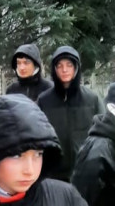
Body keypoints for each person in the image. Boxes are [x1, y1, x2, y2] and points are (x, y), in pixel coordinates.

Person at [37, 46, 104, 181]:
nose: (64, 70)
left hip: (85, 171)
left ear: (76, 68)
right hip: (53, 173)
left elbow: (103, 133)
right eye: (60, 66)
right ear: (55, 69)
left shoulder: (92, 99)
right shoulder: (44, 100)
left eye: (69, 65)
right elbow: (37, 134)